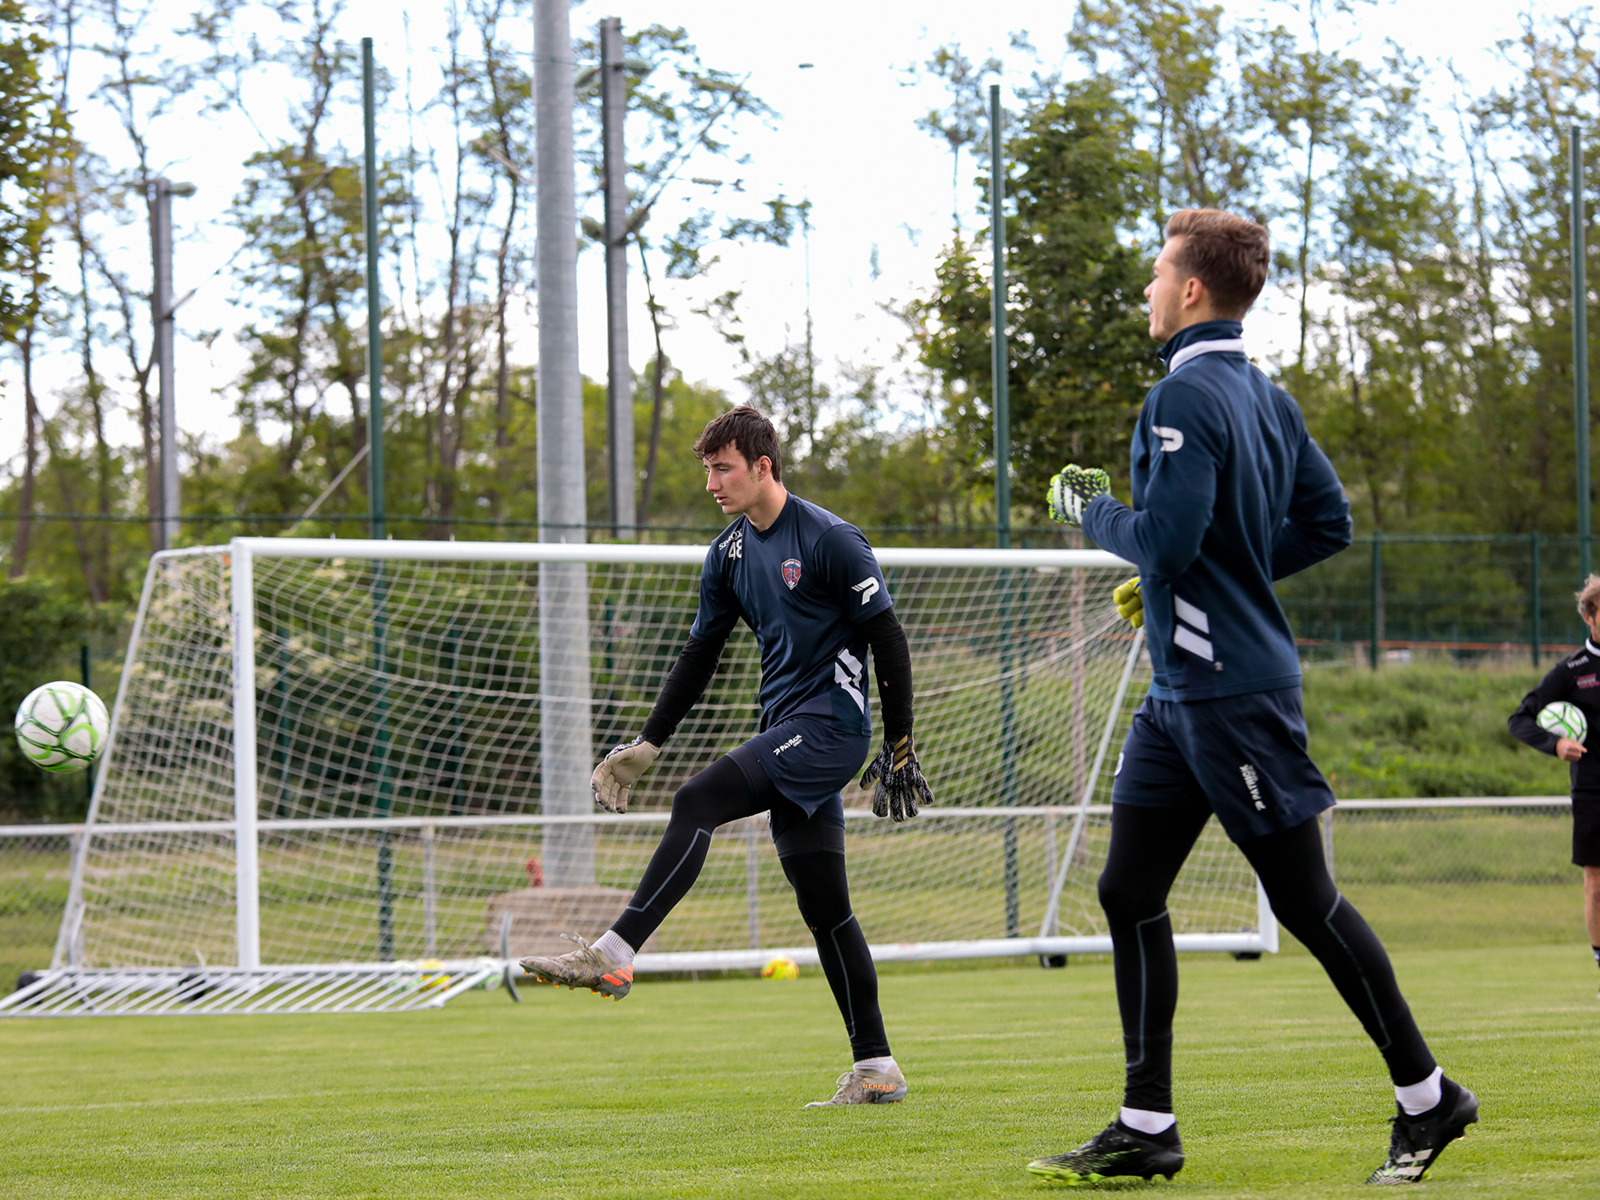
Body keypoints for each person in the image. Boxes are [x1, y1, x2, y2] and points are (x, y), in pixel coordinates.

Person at [1035, 209, 1477, 1185]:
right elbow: (1325, 523)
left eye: (1156, 272)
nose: (1148, 289)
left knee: (1305, 902)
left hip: (1231, 697)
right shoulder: (1267, 399)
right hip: (1183, 694)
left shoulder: (1181, 398)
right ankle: (1146, 1124)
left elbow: (1166, 542)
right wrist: (1203, 583)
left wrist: (1089, 510)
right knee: (1126, 891)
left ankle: (1428, 1096)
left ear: (1191, 289)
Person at [519, 405, 934, 1107]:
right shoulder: (729, 553)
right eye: (707, 469)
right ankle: (877, 1068)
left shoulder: (832, 539)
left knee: (698, 800)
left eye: (723, 468)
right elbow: (699, 653)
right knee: (826, 908)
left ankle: (613, 956)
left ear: (762, 466)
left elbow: (888, 641)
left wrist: (899, 746)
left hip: (832, 728)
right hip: (789, 729)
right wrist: (649, 742)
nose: (712, 482)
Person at [1507, 574, 1600, 997]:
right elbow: (1519, 719)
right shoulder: (1570, 672)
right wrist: (1556, 742)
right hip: (1593, 790)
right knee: (1596, 883)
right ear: (1588, 616)